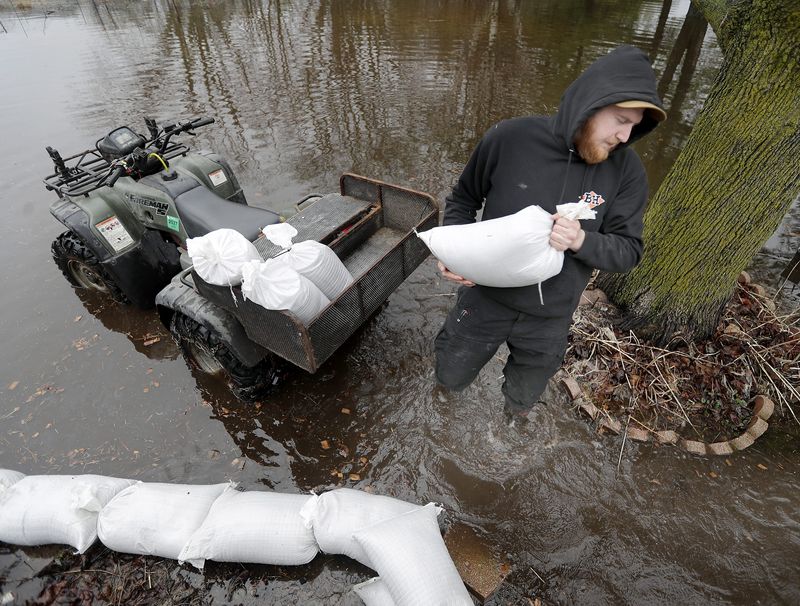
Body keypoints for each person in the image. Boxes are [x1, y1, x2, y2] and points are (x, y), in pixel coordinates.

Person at [434, 45, 666, 421]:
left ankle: (508, 431)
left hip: (550, 317)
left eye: (634, 125)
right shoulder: (510, 138)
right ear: (591, 103)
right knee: (449, 375)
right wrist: (452, 249)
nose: (625, 136)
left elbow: (628, 251)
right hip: (484, 300)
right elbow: (463, 198)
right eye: (621, 119)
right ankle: (440, 420)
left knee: (523, 400)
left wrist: (580, 241)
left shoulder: (626, 172)